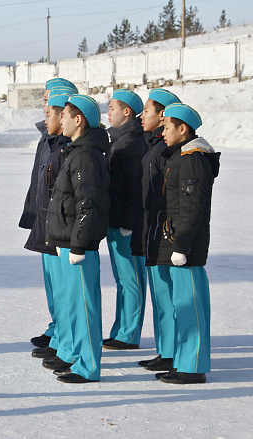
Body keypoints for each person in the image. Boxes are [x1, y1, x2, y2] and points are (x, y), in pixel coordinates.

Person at [149, 103, 219, 384]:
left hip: (186, 247)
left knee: (191, 308)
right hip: (177, 242)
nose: (162, 132)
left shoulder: (192, 158)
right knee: (182, 307)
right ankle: (184, 362)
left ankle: (193, 367)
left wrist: (182, 246)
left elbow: (192, 208)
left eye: (167, 127)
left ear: (183, 128)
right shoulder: (179, 156)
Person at [42, 94, 110, 383]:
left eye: (65, 115)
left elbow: (88, 204)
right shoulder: (77, 151)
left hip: (77, 245)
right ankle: (78, 359)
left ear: (78, 120)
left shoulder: (85, 156)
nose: (61, 120)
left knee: (84, 308)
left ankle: (88, 367)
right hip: (68, 242)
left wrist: (79, 244)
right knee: (75, 306)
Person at [19, 78, 78, 349]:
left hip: (60, 223)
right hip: (44, 218)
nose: (44, 105)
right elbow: (38, 179)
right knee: (53, 284)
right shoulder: (47, 137)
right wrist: (31, 213)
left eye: (48, 100)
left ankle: (65, 335)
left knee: (65, 285)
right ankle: (58, 328)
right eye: (44, 100)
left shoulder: (68, 143)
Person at [132, 89, 182, 371]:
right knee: (160, 297)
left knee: (168, 296)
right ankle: (166, 350)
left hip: (162, 231)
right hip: (150, 229)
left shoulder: (165, 149)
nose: (142, 116)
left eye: (147, 111)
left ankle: (173, 351)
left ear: (163, 115)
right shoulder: (154, 145)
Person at [103, 89, 147, 351]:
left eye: (112, 108)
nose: (108, 113)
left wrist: (128, 224)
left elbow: (134, 189)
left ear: (127, 111)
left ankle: (129, 334)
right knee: (123, 279)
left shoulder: (132, 143)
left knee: (131, 279)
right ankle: (121, 330)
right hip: (115, 220)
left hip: (126, 224)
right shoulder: (119, 140)